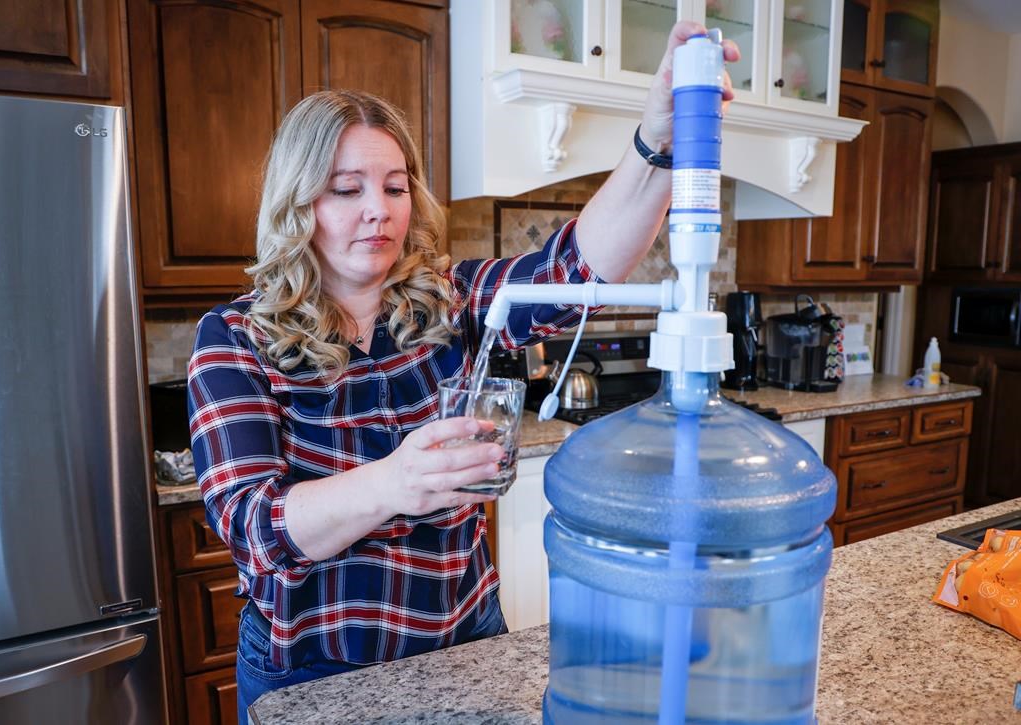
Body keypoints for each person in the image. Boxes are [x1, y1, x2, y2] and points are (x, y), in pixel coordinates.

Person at [187, 20, 738, 723]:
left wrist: (658, 136)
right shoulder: (236, 338)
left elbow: (578, 268)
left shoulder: (450, 299)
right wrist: (396, 481)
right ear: (298, 204)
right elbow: (252, 525)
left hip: (465, 642)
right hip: (314, 670)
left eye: (394, 187)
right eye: (347, 189)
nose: (378, 211)